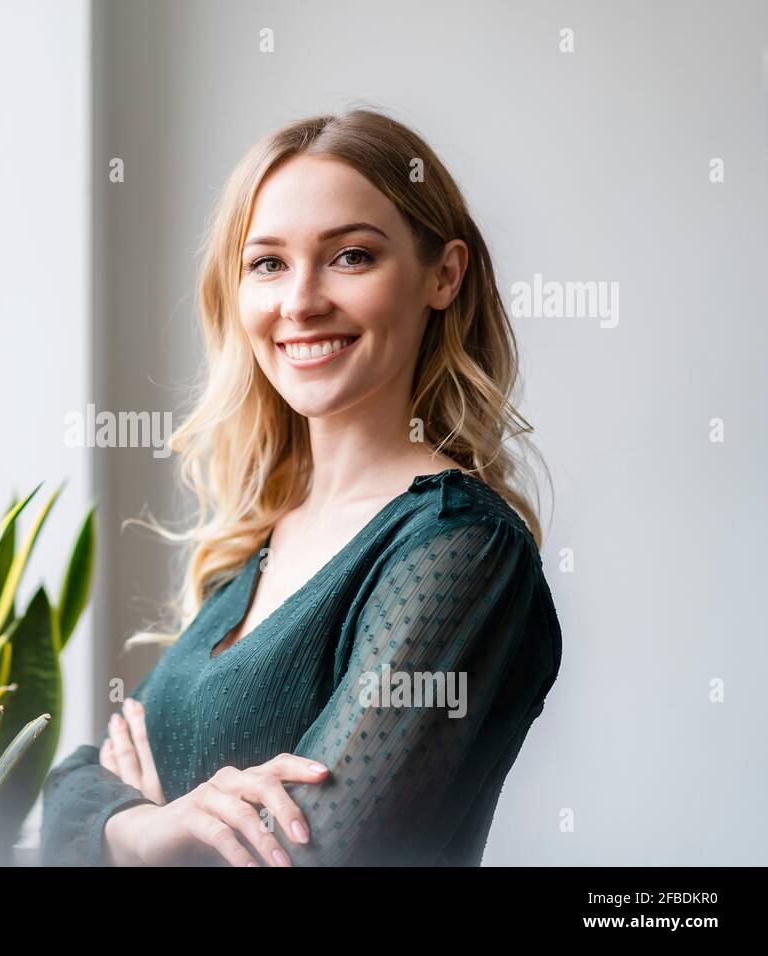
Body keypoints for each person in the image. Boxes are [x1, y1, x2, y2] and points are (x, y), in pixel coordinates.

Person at [40, 109, 562, 867]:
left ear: (443, 275)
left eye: (350, 256)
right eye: (267, 263)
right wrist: (143, 829)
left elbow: (315, 856)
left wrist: (135, 831)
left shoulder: (461, 548)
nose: (300, 301)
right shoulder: (254, 542)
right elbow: (70, 786)